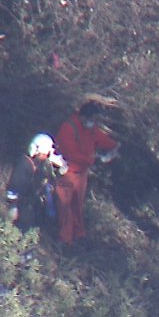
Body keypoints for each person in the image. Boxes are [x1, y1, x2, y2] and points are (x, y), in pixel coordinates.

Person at [54, 101, 120, 245]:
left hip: (81, 174)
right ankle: (65, 239)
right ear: (84, 117)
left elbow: (99, 137)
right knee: (65, 207)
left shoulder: (89, 127)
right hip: (67, 173)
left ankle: (79, 234)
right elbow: (71, 153)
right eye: (92, 119)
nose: (94, 123)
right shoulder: (68, 129)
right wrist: (93, 160)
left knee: (77, 205)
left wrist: (114, 145)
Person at [6, 133, 67, 233]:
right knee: (21, 232)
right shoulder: (24, 165)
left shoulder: (38, 165)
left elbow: (46, 180)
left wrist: (59, 173)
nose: (47, 157)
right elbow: (14, 187)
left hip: (32, 205)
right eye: (45, 154)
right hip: (23, 207)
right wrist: (13, 206)